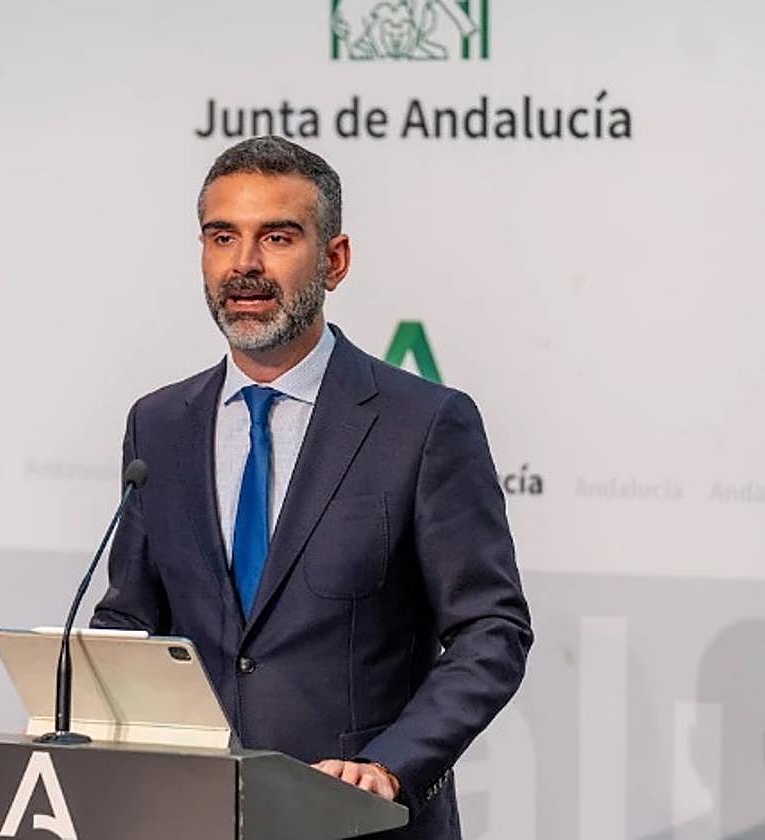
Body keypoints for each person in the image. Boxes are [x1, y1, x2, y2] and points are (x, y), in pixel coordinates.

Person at [91, 136, 533, 840]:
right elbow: (132, 618)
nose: (244, 265)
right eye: (221, 236)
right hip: (191, 816)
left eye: (277, 236)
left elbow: (492, 630)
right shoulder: (159, 425)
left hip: (358, 820)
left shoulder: (422, 425)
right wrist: (81, 696)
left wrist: (390, 766)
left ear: (335, 260)